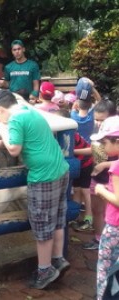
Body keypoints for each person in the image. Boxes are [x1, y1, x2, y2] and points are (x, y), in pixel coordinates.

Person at [0, 90, 70, 290]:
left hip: (44, 176)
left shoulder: (14, 119)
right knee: (57, 220)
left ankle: (44, 270)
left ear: (0, 110)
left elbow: (14, 148)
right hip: (60, 169)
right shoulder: (28, 110)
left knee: (42, 225)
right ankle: (57, 259)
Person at [89, 115, 119, 300]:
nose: (102, 146)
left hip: (115, 227)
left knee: (105, 266)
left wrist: (101, 190)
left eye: (105, 141)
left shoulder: (116, 167)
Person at [82, 99, 118, 250]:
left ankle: (109, 242)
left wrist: (106, 164)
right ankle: (99, 239)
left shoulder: (113, 133)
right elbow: (94, 149)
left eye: (101, 120)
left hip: (111, 181)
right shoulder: (101, 133)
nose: (97, 123)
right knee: (97, 210)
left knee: (110, 212)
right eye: (95, 119)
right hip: (97, 177)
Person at [55, 109, 94, 231]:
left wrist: (72, 151)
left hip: (86, 164)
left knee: (85, 191)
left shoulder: (73, 136)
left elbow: (90, 150)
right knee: (76, 189)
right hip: (75, 166)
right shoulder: (57, 136)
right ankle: (74, 216)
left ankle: (89, 217)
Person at [70, 77, 101, 143]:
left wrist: (81, 96)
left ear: (77, 105)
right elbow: (99, 101)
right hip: (88, 145)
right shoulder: (92, 116)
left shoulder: (73, 115)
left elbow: (74, 106)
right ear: (90, 105)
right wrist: (92, 88)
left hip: (77, 145)